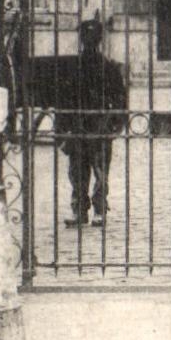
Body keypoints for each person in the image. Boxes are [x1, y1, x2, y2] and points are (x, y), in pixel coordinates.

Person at [55, 17, 127, 228]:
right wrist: (61, 126)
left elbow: (120, 99)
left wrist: (115, 125)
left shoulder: (109, 67)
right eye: (86, 37)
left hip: (99, 124)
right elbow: (63, 97)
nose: (89, 41)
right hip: (78, 124)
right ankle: (79, 210)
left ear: (98, 40)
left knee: (100, 170)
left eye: (92, 38)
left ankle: (99, 210)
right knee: (77, 170)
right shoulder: (73, 67)